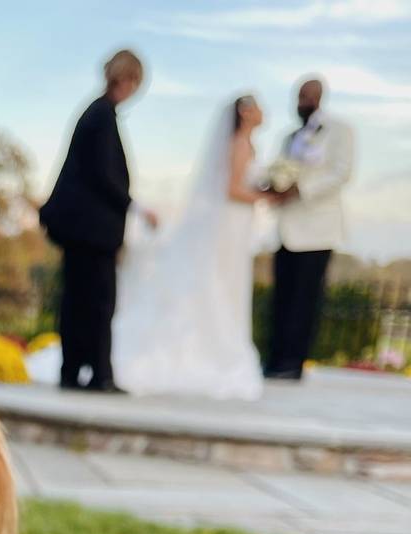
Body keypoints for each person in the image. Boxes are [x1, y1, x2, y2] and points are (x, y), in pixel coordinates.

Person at [107, 95, 273, 399]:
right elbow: (233, 189)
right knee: (218, 285)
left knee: (226, 287)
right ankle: (216, 351)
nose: (264, 111)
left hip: (235, 226)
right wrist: (269, 197)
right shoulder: (238, 143)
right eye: (258, 106)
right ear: (246, 112)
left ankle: (223, 346)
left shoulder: (246, 144)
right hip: (228, 226)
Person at [39, 49, 158, 393]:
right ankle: (99, 375)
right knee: (97, 302)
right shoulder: (102, 116)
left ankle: (74, 371)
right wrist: (136, 206)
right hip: (91, 232)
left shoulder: (97, 113)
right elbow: (105, 177)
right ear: (128, 79)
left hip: (82, 231)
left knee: (79, 302)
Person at [265, 78, 354, 380]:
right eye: (299, 96)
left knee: (305, 299)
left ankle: (293, 363)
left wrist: (299, 189)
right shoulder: (289, 136)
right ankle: (276, 359)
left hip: (318, 230)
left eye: (307, 96)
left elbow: (342, 172)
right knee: (282, 298)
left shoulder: (340, 131)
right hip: (286, 229)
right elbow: (279, 169)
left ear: (319, 98)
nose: (302, 102)